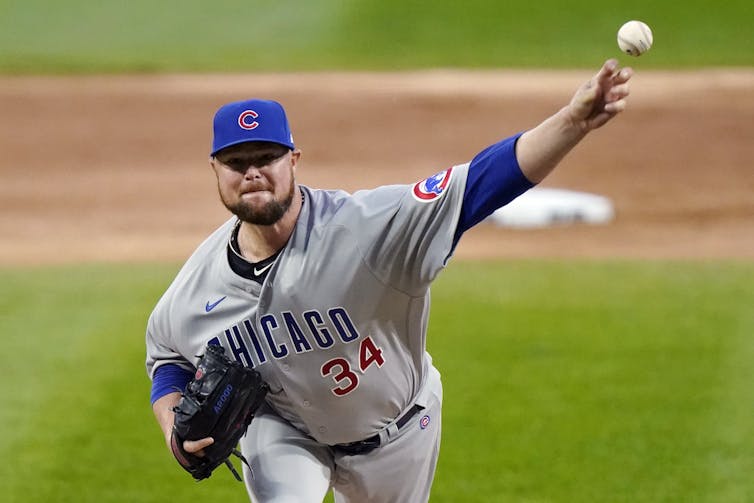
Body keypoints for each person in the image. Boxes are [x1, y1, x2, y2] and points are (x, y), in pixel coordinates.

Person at [146, 58, 633, 502]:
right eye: (236, 163)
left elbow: (478, 184)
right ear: (215, 169)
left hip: (398, 433)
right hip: (286, 431)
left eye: (266, 157)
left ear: (293, 159)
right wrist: (174, 430)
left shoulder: (367, 229)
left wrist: (571, 123)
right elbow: (167, 353)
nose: (252, 173)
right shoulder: (197, 288)